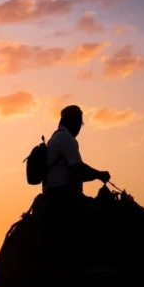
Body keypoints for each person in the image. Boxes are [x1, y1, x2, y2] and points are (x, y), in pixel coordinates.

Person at [41, 105, 111, 273]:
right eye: (79, 123)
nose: (80, 127)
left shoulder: (56, 138)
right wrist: (99, 174)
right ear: (72, 122)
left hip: (55, 192)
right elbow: (77, 167)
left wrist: (94, 175)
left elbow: (76, 171)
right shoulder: (66, 139)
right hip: (64, 194)